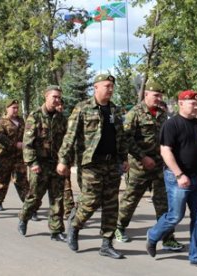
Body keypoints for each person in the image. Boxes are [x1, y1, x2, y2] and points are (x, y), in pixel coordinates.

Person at [57, 74, 129, 259]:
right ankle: (74, 226)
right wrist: (63, 160)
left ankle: (106, 243)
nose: (110, 89)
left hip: (112, 163)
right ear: (95, 87)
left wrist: (124, 158)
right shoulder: (82, 108)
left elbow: (120, 136)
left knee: (112, 205)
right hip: (91, 164)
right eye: (106, 86)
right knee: (90, 202)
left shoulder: (115, 110)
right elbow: (69, 136)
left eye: (112, 86)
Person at [146, 90, 197, 270]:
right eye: (192, 103)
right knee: (175, 216)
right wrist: (179, 174)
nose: (196, 106)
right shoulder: (172, 125)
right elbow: (165, 151)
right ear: (181, 103)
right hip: (177, 177)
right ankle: (153, 235)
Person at [114, 80, 183, 251]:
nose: (158, 98)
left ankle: (167, 237)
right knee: (131, 199)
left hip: (160, 165)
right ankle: (119, 227)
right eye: (155, 95)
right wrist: (142, 157)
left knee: (164, 202)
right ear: (146, 94)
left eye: (160, 95)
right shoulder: (135, 113)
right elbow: (126, 138)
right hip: (140, 165)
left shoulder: (162, 113)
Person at [17, 85, 68, 242]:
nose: (57, 100)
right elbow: (28, 143)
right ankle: (24, 217)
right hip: (39, 164)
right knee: (35, 197)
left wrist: (65, 161)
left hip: (56, 164)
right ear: (46, 97)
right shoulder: (35, 116)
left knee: (58, 198)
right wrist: (32, 162)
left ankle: (56, 230)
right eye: (54, 97)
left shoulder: (61, 118)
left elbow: (66, 141)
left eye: (59, 97)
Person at [0, 99, 29, 211]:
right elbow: (1, 137)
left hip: (19, 156)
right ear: (7, 108)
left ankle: (28, 205)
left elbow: (26, 134)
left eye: (17, 108)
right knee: (3, 179)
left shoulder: (21, 121)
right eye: (13, 108)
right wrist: (15, 145)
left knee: (22, 180)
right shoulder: (1, 122)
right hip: (4, 156)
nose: (16, 110)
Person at [55, 99, 76, 219]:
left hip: (63, 160)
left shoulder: (66, 122)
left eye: (61, 105)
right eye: (58, 105)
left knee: (66, 185)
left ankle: (68, 212)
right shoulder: (45, 119)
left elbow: (70, 142)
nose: (60, 107)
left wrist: (69, 159)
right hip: (49, 160)